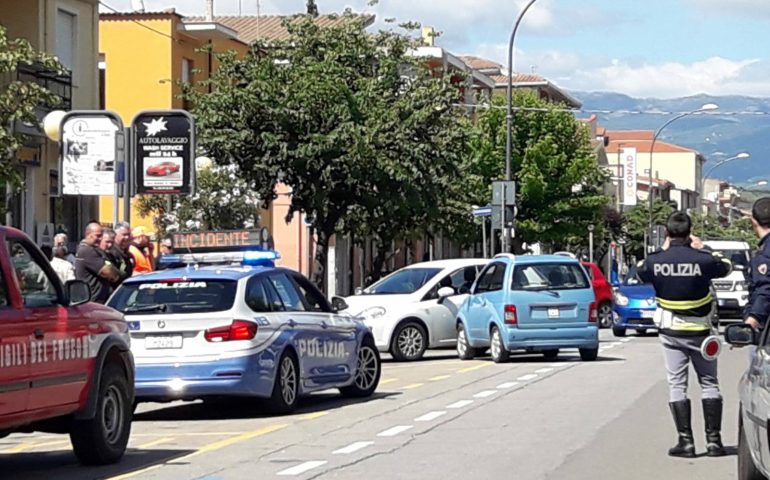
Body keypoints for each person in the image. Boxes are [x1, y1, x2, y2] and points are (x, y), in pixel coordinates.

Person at [637, 211, 732, 459]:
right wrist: (705, 248)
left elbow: (640, 271)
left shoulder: (655, 260)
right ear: (690, 234)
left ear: (667, 233)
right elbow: (726, 267)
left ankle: (686, 442)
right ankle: (714, 442)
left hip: (671, 332)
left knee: (677, 385)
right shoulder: (703, 259)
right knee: (709, 383)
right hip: (701, 332)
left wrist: (663, 249)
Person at [75, 222, 120, 303]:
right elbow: (109, 273)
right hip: (93, 301)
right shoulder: (87, 251)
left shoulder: (90, 249)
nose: (100, 239)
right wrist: (115, 273)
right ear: (88, 234)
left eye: (101, 236)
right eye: (98, 236)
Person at [744, 198, 770, 332]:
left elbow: (765, 290)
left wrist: (751, 322)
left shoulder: (765, 254)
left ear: (754, 221)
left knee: (758, 353)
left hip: (766, 331)